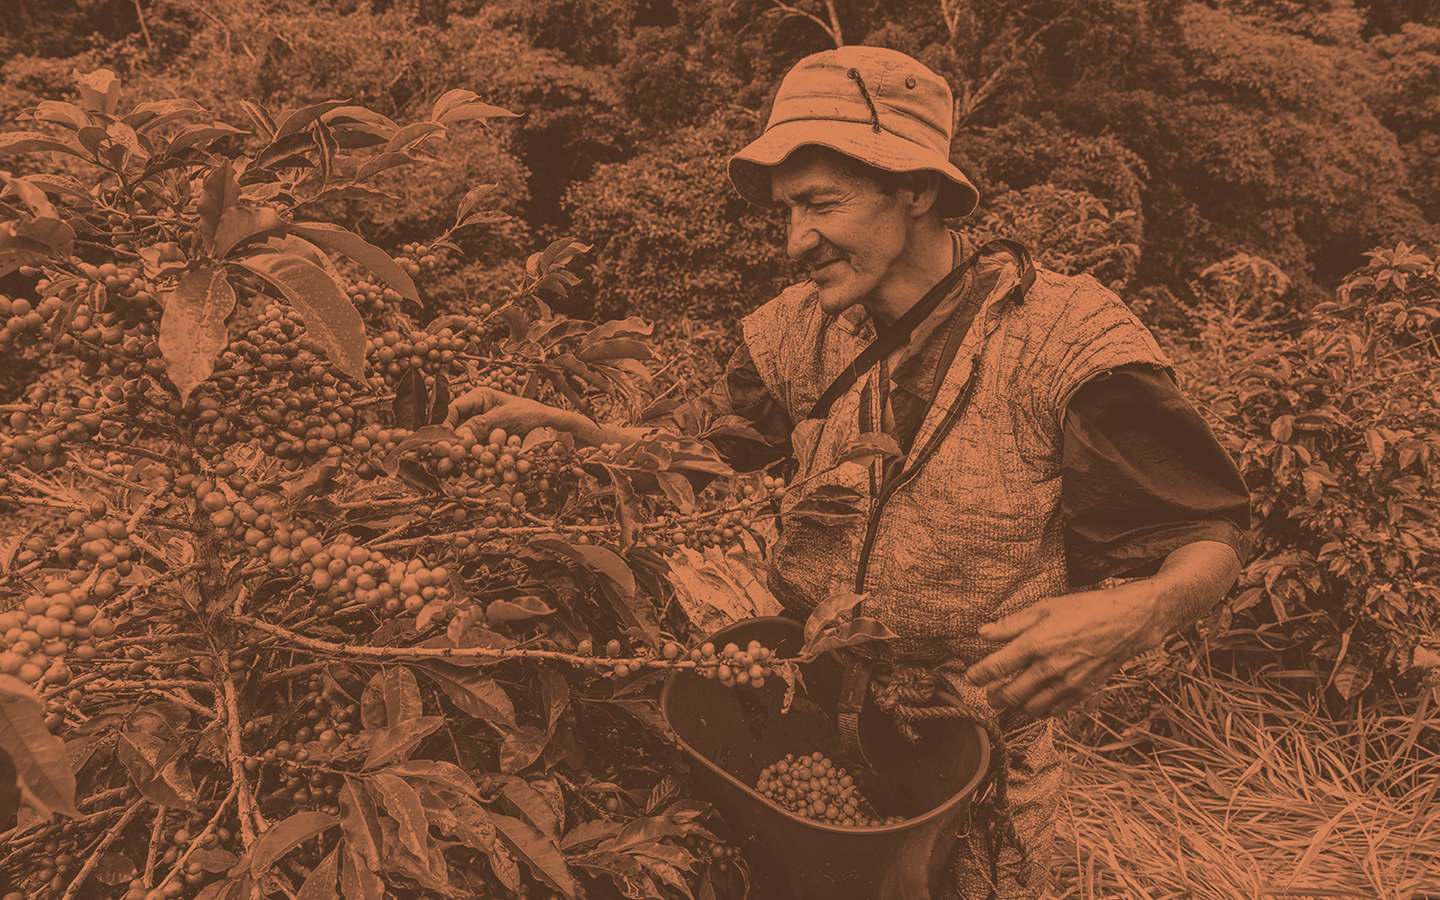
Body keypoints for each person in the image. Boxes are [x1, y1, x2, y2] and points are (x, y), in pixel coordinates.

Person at [446, 46, 1249, 899]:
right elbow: (718, 463)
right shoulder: (794, 334)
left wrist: (1141, 609)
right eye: (786, 211)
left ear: (916, 189)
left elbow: (1209, 533)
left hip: (974, 757)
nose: (797, 241)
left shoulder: (1064, 342)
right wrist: (590, 436)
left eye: (821, 203)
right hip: (800, 716)